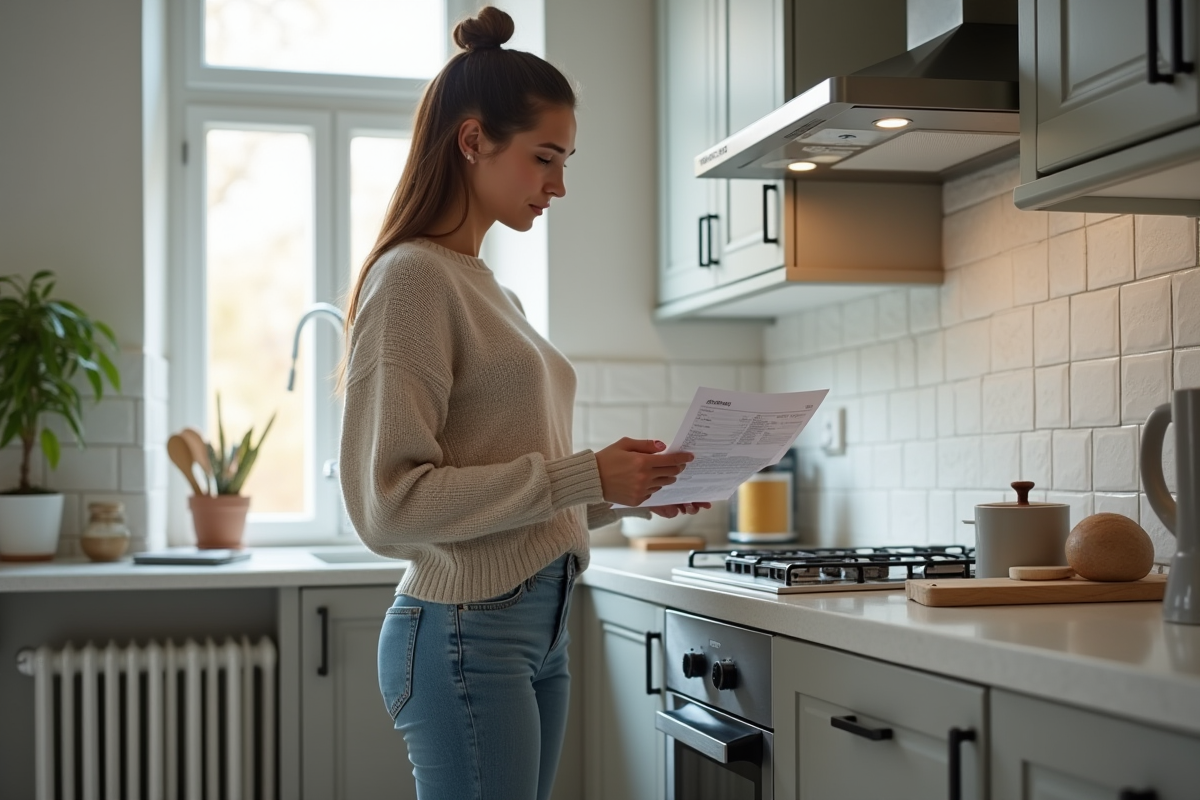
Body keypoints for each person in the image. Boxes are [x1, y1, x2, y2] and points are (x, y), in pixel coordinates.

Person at [336, 8, 709, 799]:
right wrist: (580, 475)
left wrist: (616, 491)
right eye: (545, 158)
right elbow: (389, 505)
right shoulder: (412, 280)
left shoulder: (490, 290)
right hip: (464, 632)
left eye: (565, 161)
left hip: (535, 628)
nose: (559, 184)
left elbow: (513, 490)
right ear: (473, 141)